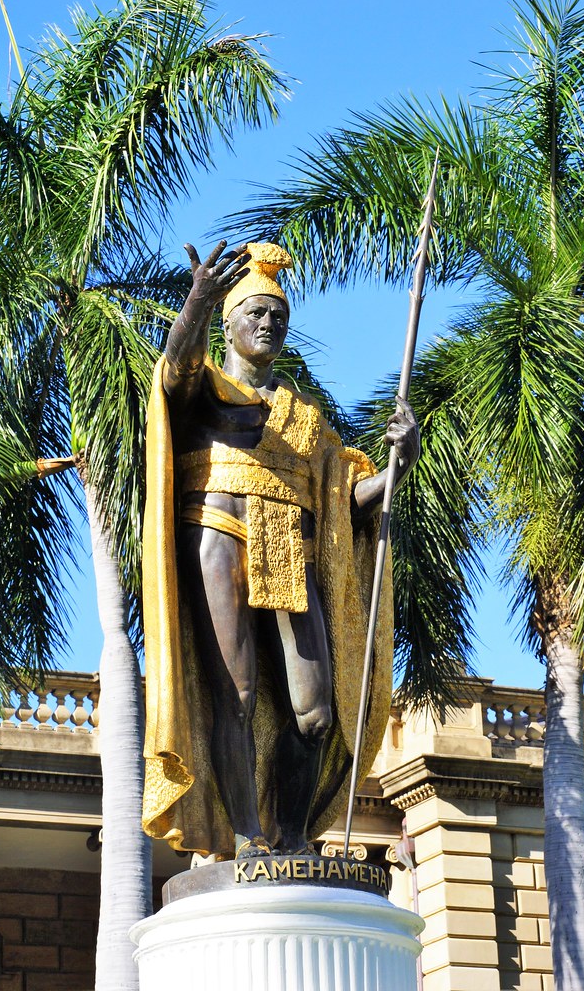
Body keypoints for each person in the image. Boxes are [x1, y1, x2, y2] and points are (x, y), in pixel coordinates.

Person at [141, 240, 419, 860]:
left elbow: (349, 502)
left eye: (278, 317)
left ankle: (293, 834)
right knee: (234, 696)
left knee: (315, 712)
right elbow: (171, 375)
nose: (268, 324)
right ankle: (246, 834)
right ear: (229, 322)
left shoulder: (304, 419)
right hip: (216, 529)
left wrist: (400, 460)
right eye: (255, 314)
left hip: (288, 548)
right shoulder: (206, 389)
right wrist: (195, 303)